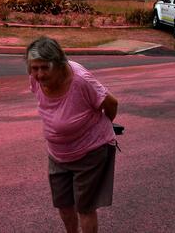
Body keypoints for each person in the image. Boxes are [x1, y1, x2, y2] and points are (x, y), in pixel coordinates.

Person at [25, 36, 119, 233]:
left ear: (59, 64)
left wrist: (99, 128)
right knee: (64, 205)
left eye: (45, 68)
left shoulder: (80, 80)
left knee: (85, 208)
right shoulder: (35, 79)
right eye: (34, 68)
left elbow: (111, 104)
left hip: (90, 152)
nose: (39, 74)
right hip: (58, 154)